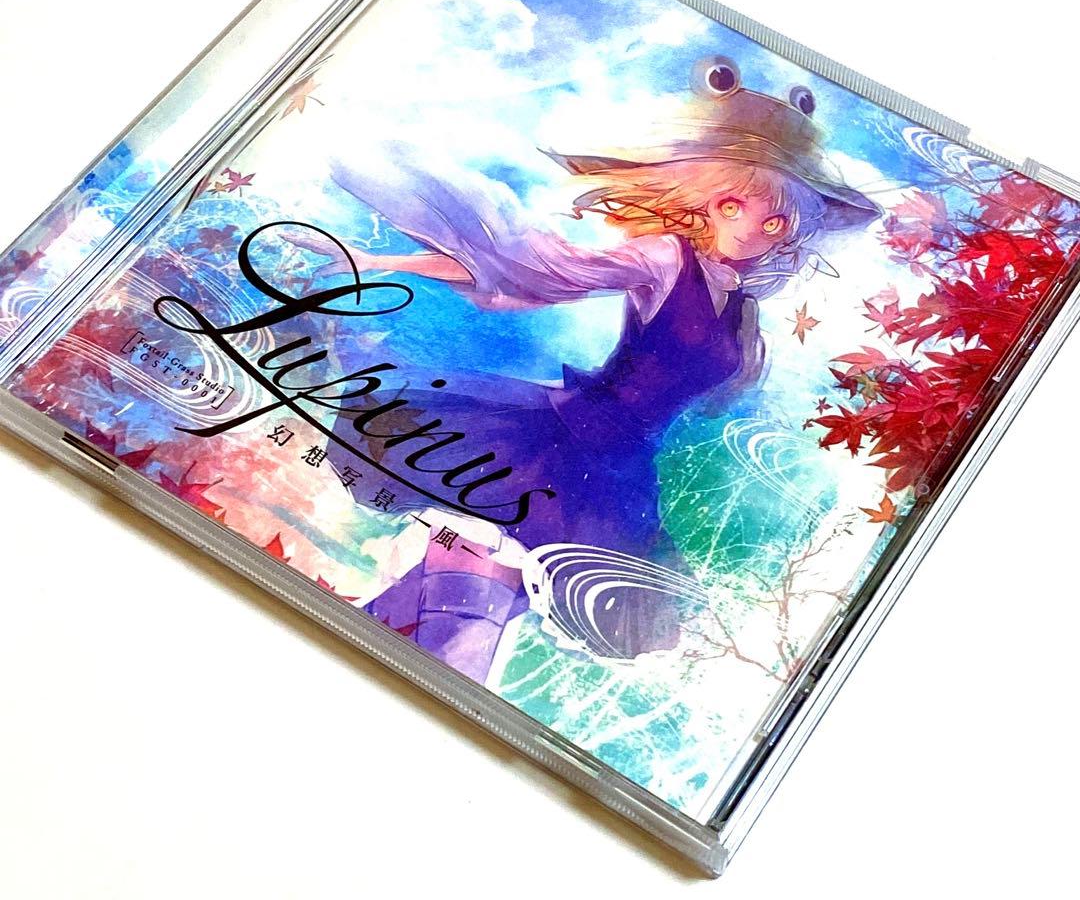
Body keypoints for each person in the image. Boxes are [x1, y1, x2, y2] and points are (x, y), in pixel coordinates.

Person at [291, 56, 881, 681]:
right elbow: (536, 275)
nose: (756, 231)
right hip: (560, 440)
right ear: (709, 201)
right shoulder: (665, 258)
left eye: (777, 223)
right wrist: (378, 261)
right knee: (478, 583)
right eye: (735, 206)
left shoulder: (743, 307)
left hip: (624, 470)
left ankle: (360, 662)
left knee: (501, 592)